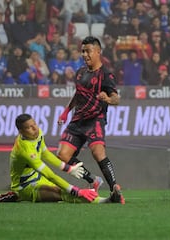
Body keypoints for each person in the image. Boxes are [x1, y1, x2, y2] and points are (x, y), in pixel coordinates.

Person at [0, 113, 123, 203]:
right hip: (26, 187)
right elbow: (50, 175)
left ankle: (15, 197)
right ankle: (106, 201)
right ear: (21, 131)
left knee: (61, 192)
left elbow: (46, 153)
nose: (35, 129)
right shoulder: (25, 150)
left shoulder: (37, 134)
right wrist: (76, 191)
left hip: (39, 179)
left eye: (35, 124)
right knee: (63, 193)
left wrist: (68, 168)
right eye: (29, 128)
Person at [57, 36, 125, 204]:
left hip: (95, 120)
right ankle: (93, 180)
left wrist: (107, 99)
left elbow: (116, 98)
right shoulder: (80, 73)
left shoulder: (106, 75)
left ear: (98, 52)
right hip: (77, 120)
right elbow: (78, 94)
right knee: (63, 155)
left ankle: (115, 189)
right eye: (83, 51)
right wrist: (66, 111)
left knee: (98, 153)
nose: (85, 55)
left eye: (88, 51)